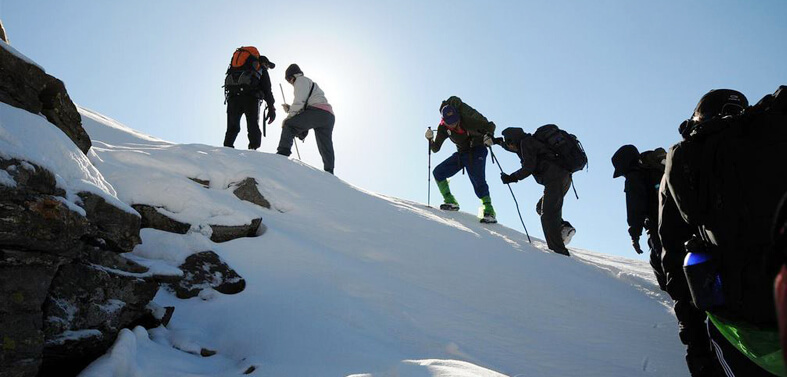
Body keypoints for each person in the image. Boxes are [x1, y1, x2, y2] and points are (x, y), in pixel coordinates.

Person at [661, 88, 787, 376]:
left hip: (736, 324)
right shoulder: (774, 133)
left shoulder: (684, 159)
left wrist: (694, 343)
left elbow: (673, 254)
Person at [496, 127, 575, 256]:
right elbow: (511, 149)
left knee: (548, 215)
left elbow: (528, 167)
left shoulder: (526, 144)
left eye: (509, 143)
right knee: (541, 207)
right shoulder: (527, 142)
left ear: (513, 140)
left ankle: (559, 253)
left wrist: (512, 177)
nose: (509, 146)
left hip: (555, 179)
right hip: (562, 177)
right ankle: (563, 228)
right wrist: (497, 142)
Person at [425, 96, 497, 223]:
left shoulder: (468, 121)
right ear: (444, 121)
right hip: (462, 153)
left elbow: (490, 125)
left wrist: (488, 136)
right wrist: (430, 139)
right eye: (450, 123)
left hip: (477, 149)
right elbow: (435, 148)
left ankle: (489, 210)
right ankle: (450, 201)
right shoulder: (443, 128)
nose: (453, 125)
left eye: (455, 121)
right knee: (438, 172)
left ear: (458, 116)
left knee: (477, 178)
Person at [611, 145, 667, 290]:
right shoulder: (654, 168)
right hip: (678, 218)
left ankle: (676, 296)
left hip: (658, 224)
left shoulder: (634, 176)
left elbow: (635, 208)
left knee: (660, 260)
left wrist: (634, 235)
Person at [277, 64, 335, 174]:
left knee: (289, 125)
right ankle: (329, 171)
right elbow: (304, 105)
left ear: (293, 76)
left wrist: (288, 117)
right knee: (325, 144)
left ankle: (282, 154)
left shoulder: (300, 80)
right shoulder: (308, 82)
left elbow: (299, 101)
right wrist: (290, 109)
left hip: (318, 112)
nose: (290, 82)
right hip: (328, 115)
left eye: (289, 79)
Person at [223, 47, 276, 150]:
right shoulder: (260, 69)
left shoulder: (236, 68)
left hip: (233, 97)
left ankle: (227, 149)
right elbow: (267, 89)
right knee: (252, 125)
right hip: (251, 98)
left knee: (232, 127)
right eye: (268, 65)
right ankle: (253, 150)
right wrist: (271, 107)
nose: (268, 68)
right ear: (264, 63)